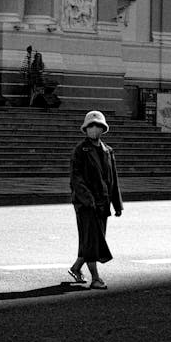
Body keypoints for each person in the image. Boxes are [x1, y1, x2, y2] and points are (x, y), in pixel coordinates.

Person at [69, 110, 123, 289]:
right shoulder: (80, 150)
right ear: (85, 129)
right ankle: (96, 278)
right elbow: (76, 179)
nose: (94, 129)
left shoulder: (108, 151)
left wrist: (117, 204)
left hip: (103, 203)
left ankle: (76, 268)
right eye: (91, 126)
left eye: (97, 126)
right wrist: (87, 199)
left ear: (103, 129)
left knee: (94, 239)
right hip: (86, 204)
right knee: (92, 240)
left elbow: (113, 179)